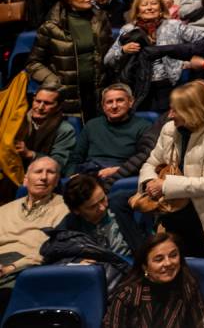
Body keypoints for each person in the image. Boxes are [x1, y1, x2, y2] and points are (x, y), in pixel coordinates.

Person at [138, 81, 204, 259]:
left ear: (193, 111)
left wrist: (164, 185)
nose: (170, 115)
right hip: (173, 214)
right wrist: (148, 181)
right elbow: (151, 162)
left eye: (175, 110)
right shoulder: (170, 129)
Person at [107, 0, 204, 111]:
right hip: (138, 86)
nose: (150, 8)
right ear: (138, 10)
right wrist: (123, 50)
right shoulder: (128, 30)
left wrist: (187, 60)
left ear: (161, 8)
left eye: (154, 4)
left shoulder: (174, 25)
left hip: (169, 85)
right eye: (144, 5)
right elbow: (108, 60)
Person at [25, 0, 114, 120]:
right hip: (67, 95)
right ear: (69, 0)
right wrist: (54, 82)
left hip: (97, 92)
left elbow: (109, 53)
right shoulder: (52, 27)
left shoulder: (100, 19)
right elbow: (33, 63)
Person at [0, 156, 69, 307]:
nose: (43, 177)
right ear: (26, 179)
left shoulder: (66, 208)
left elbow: (53, 250)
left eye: (50, 172)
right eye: (38, 171)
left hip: (28, 269)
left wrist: (11, 267)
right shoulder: (3, 210)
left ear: (57, 181)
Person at [103, 231, 204, 328]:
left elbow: (199, 325)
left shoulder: (188, 286)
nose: (168, 263)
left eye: (173, 255)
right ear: (145, 267)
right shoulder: (129, 294)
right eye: (159, 259)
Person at [66, 82, 152, 179]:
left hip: (122, 174)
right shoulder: (92, 125)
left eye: (120, 100)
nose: (114, 106)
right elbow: (75, 157)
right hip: (90, 172)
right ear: (103, 106)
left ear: (131, 102)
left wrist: (119, 170)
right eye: (109, 102)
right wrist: (71, 177)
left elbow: (148, 161)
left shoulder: (144, 126)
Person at [59, 172, 142, 256]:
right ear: (76, 210)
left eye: (103, 199)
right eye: (93, 207)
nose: (102, 208)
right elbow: (51, 248)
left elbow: (148, 193)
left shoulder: (119, 202)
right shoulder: (70, 223)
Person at [13, 85, 76, 171]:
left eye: (47, 103)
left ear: (59, 106)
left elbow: (58, 163)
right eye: (38, 101)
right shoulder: (17, 121)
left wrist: (30, 154)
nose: (40, 107)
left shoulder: (65, 130)